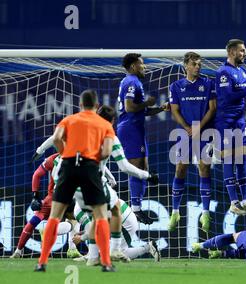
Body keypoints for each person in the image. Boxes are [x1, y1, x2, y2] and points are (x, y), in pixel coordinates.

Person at [35, 90, 115, 272]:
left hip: (68, 167)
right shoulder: (104, 124)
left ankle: (42, 262)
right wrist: (95, 159)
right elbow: (108, 151)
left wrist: (65, 152)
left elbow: (56, 138)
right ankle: (106, 263)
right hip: (89, 168)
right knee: (100, 215)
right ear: (96, 106)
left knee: (55, 215)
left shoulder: (69, 120)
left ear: (80, 105)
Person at [168, 52, 216, 232]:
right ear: (186, 66)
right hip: (184, 132)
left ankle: (205, 212)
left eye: (199, 64)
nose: (198, 67)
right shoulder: (176, 86)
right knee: (181, 167)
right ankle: (175, 212)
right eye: (194, 64)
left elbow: (212, 109)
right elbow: (175, 110)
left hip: (204, 132)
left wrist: (198, 127)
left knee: (204, 167)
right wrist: (187, 127)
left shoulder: (208, 84)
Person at [117, 53, 166, 222]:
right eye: (141, 64)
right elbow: (130, 107)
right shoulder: (131, 81)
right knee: (137, 168)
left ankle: (137, 207)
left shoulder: (133, 82)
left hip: (135, 128)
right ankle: (135, 209)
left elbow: (141, 110)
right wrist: (148, 103)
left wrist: (159, 108)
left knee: (143, 167)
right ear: (132, 66)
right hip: (130, 129)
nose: (144, 67)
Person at [215, 39, 246, 215]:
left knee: (242, 160)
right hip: (225, 122)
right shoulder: (223, 72)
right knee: (229, 160)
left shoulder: (243, 73)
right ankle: (234, 202)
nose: (245, 54)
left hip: (239, 122)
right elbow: (228, 97)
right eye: (242, 51)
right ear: (232, 52)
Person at [10, 153, 81, 259]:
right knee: (75, 220)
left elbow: (37, 174)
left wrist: (35, 196)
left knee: (33, 221)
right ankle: (71, 248)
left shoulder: (52, 158)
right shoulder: (78, 157)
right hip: (68, 198)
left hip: (51, 198)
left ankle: (18, 251)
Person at [69, 198, 161, 265]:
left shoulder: (77, 211)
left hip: (124, 222)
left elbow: (93, 230)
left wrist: (80, 238)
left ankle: (148, 247)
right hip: (124, 215)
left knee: (118, 253)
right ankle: (149, 247)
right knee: (112, 248)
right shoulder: (81, 201)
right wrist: (83, 234)